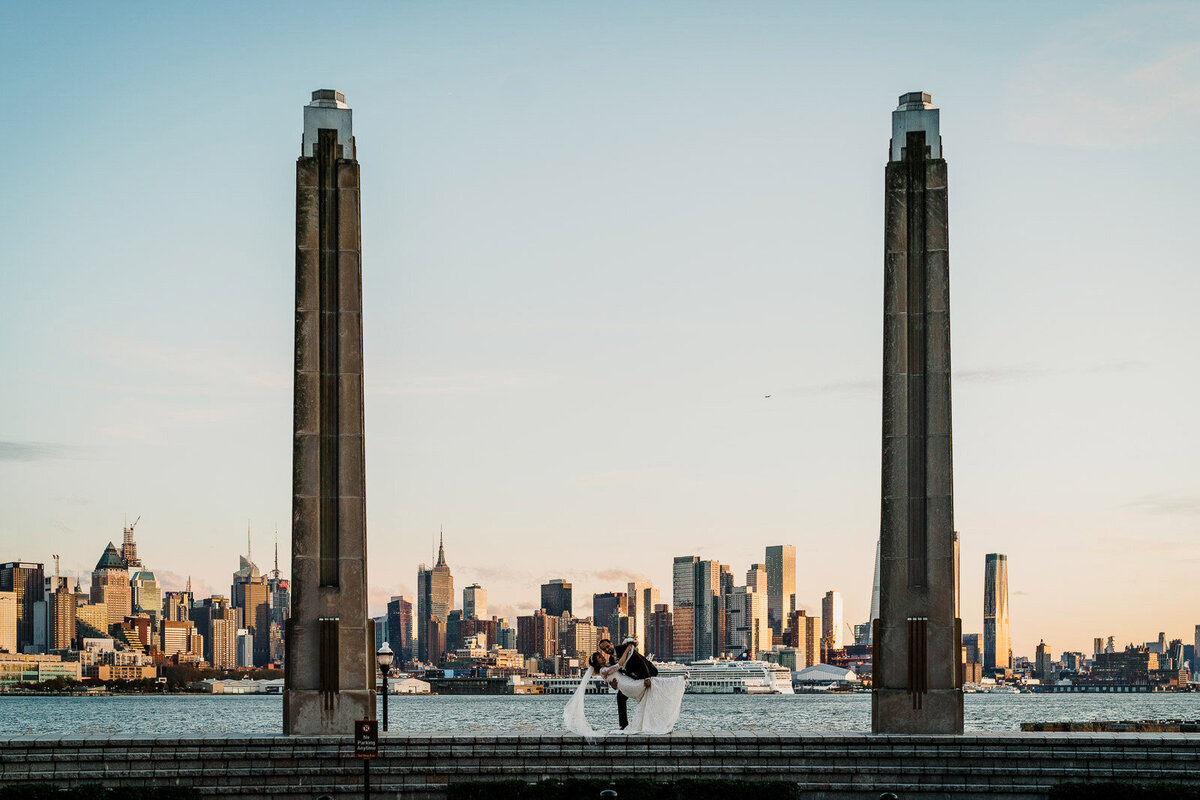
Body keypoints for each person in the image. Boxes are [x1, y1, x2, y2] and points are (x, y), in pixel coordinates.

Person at [563, 638, 686, 737]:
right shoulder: (611, 661)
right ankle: (624, 725)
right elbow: (616, 674)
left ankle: (659, 722)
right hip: (631, 681)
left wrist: (647, 677)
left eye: (607, 646)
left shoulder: (623, 648)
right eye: (604, 650)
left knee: (654, 692)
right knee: (621, 698)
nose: (607, 650)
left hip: (645, 673)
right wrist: (615, 686)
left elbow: (640, 661)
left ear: (611, 644)